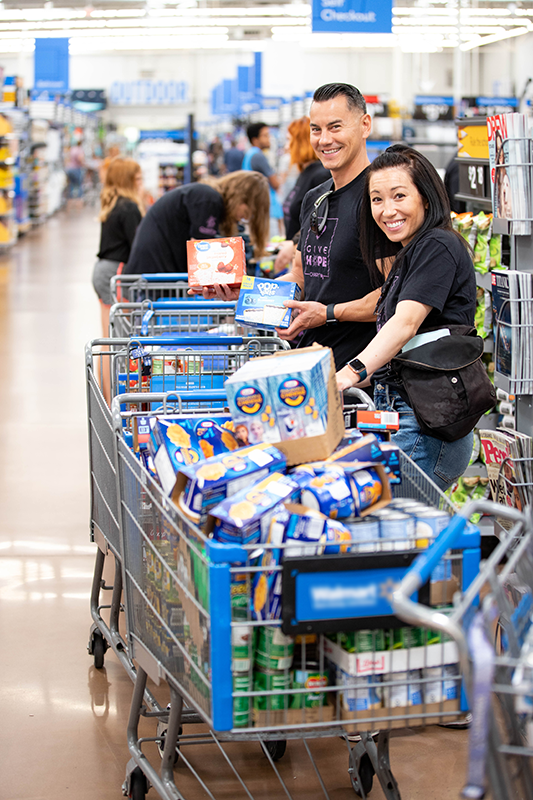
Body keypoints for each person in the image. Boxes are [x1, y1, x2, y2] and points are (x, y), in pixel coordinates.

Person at [336, 144, 476, 491]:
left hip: (425, 427)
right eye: (377, 199)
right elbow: (405, 347)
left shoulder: (438, 246)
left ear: (426, 198)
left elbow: (406, 324)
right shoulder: (409, 254)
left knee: (395, 538)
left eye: (399, 196)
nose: (387, 210)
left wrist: (347, 374)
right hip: (408, 417)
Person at [274, 83, 383, 370]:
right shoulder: (315, 197)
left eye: (335, 127)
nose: (324, 140)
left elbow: (396, 294)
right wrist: (243, 293)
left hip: (362, 378)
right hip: (315, 366)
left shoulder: (379, 198)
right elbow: (301, 276)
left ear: (364, 125)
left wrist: (328, 314)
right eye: (316, 129)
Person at [123, 170, 269, 276]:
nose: (244, 217)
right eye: (247, 211)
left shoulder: (205, 195)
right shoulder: (209, 199)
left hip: (154, 270)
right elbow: (202, 250)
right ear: (241, 197)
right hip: (155, 273)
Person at [92, 156, 144, 401]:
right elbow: (139, 247)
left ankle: (106, 394)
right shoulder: (129, 207)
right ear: (128, 180)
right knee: (115, 339)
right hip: (117, 272)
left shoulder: (114, 203)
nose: (142, 183)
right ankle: (110, 395)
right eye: (138, 178)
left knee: (109, 338)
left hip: (104, 269)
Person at [274, 116, 330, 272]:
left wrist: (294, 244)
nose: (286, 147)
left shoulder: (319, 175)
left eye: (289, 140)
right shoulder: (305, 173)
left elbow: (321, 223)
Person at [243, 121, 284, 236]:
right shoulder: (259, 156)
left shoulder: (249, 154)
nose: (269, 138)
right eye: (265, 135)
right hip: (267, 209)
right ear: (255, 140)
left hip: (258, 208)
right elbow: (275, 183)